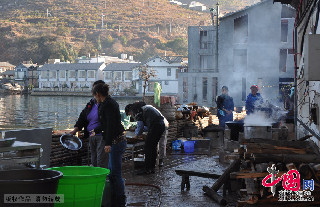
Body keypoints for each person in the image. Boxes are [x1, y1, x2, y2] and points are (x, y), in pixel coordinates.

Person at [90, 83, 127, 207]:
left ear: (98, 94)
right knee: (111, 173)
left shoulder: (109, 105)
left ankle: (120, 199)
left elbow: (111, 125)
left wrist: (108, 143)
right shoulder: (106, 103)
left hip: (117, 142)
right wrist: (97, 130)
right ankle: (116, 197)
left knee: (115, 173)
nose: (94, 98)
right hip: (115, 141)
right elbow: (106, 124)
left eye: (94, 95)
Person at [70, 80, 108, 168]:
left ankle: (103, 179)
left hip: (102, 136)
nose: (93, 93)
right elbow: (82, 117)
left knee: (101, 160)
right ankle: (94, 179)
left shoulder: (106, 103)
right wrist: (75, 130)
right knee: (93, 159)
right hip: (91, 135)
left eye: (95, 91)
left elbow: (108, 122)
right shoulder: (91, 103)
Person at [126, 102, 167, 174]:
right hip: (160, 125)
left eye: (129, 114)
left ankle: (147, 169)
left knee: (148, 147)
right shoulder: (142, 108)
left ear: (130, 111)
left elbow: (140, 126)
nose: (131, 116)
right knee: (152, 147)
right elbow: (146, 127)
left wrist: (136, 135)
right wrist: (137, 130)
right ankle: (151, 168)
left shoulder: (135, 109)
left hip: (156, 125)